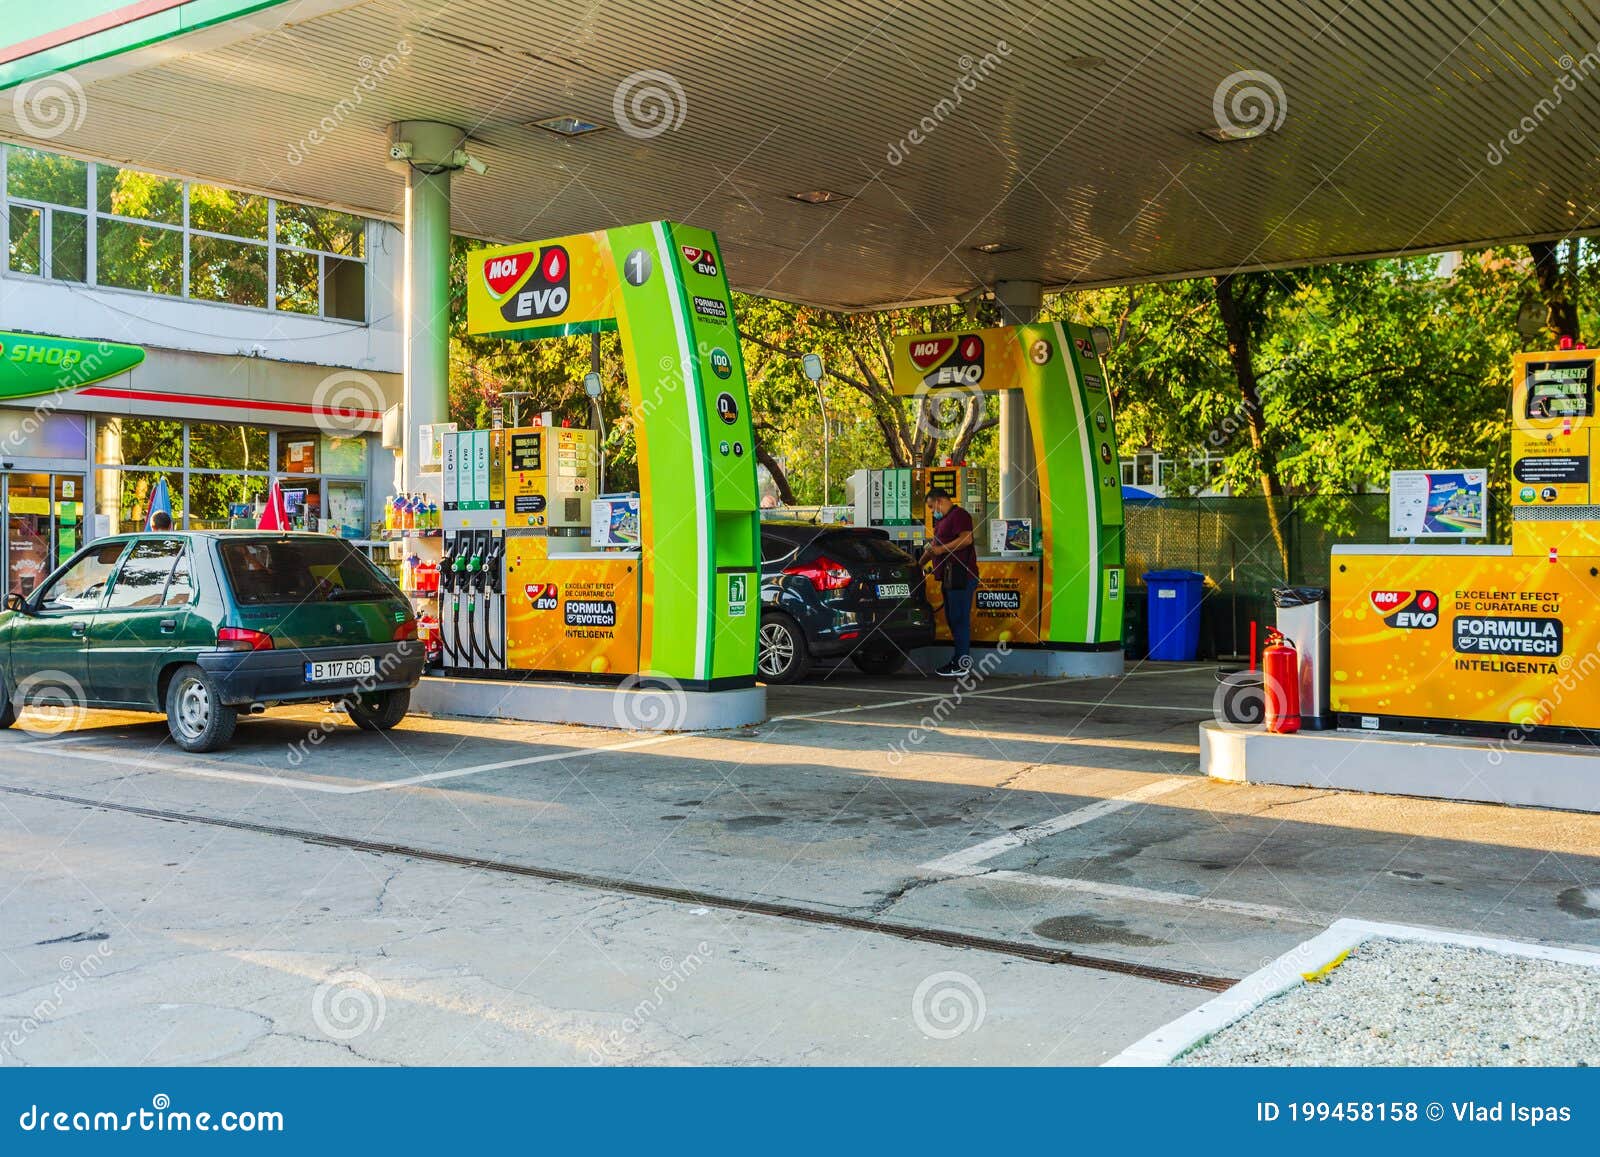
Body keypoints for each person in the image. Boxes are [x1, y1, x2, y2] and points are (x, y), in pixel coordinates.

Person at [919, 486, 979, 676]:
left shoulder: (959, 515)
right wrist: (917, 564)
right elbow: (933, 548)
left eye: (931, 506)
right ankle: (958, 660)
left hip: (961, 576)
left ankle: (962, 663)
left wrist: (942, 549)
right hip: (948, 577)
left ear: (939, 501)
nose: (931, 511)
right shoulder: (943, 521)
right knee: (953, 619)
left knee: (959, 620)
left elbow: (967, 539)